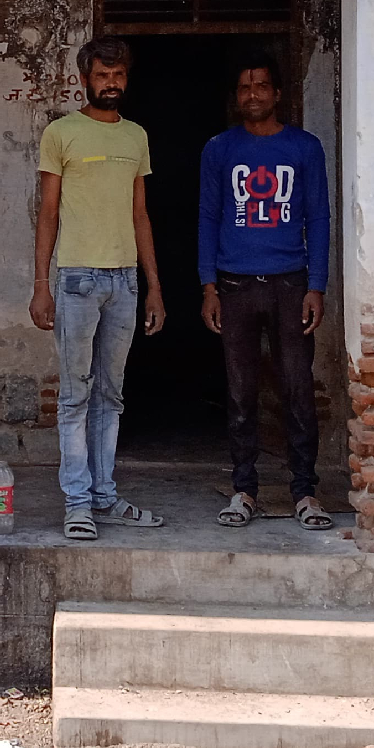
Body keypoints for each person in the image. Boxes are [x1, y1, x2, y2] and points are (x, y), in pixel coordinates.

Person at [29, 37, 167, 541]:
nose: (112, 83)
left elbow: (140, 215)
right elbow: (47, 214)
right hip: (77, 280)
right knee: (74, 396)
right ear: (85, 78)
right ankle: (78, 503)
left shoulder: (136, 137)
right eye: (103, 75)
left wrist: (153, 288)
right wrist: (42, 285)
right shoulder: (62, 133)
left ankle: (104, 496)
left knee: (111, 396)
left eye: (119, 75)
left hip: (125, 281)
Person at [198, 53, 333, 531]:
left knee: (297, 389)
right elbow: (209, 217)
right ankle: (244, 489)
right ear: (236, 97)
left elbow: (318, 216)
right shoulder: (219, 149)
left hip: (290, 284)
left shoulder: (304, 147)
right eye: (244, 87)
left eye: (261, 86)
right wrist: (208, 285)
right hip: (233, 286)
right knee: (240, 393)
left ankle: (305, 491)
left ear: (277, 94)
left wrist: (316, 285)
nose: (252, 95)